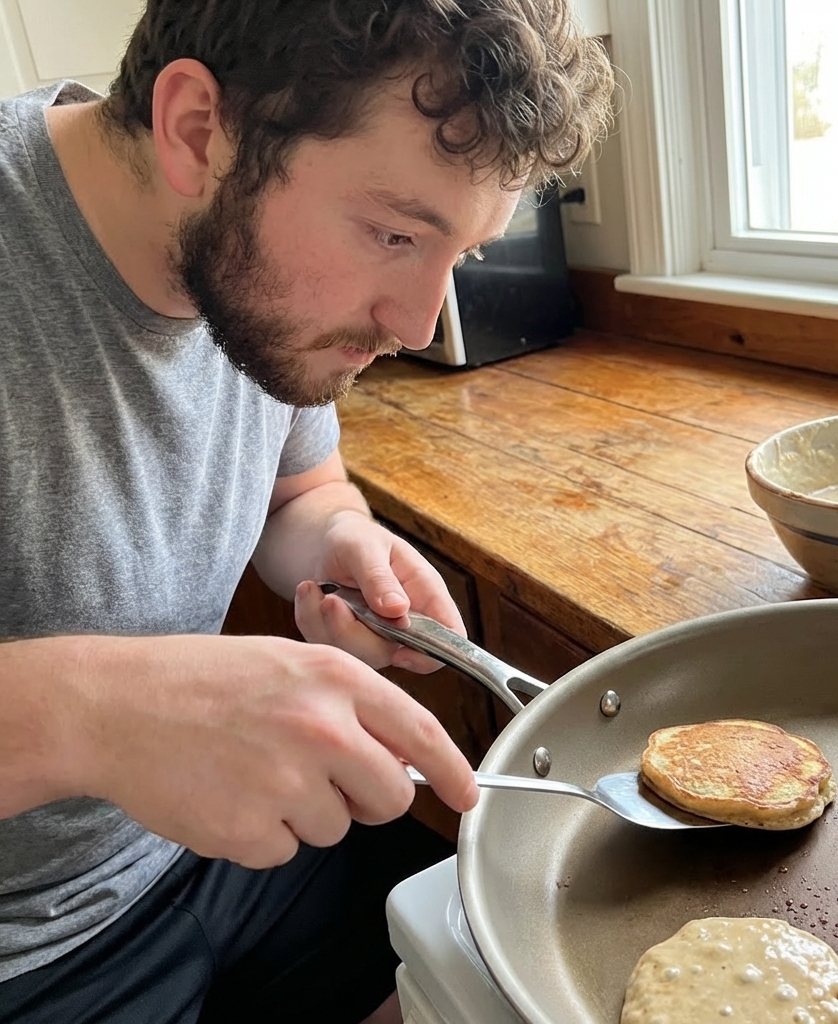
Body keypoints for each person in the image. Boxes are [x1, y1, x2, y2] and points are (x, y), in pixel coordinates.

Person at [0, 2, 613, 1021]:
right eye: (392, 233)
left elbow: (300, 488)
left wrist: (343, 542)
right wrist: (93, 714)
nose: (417, 323)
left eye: (455, 253)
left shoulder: (256, 290)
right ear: (198, 130)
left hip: (219, 852)